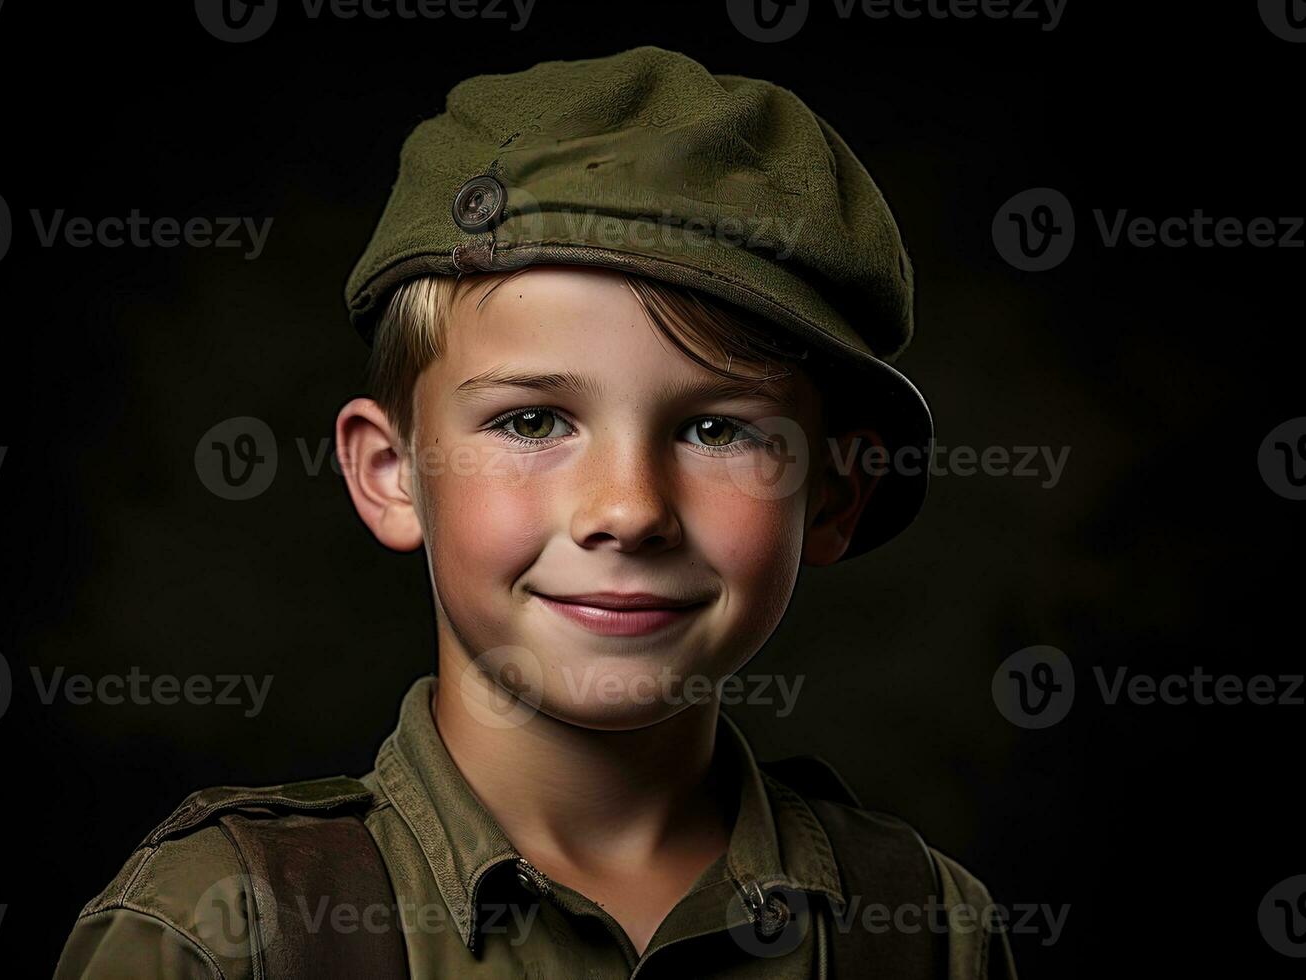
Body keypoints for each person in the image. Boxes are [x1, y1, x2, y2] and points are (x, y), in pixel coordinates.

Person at [52, 45, 1018, 979]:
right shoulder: (227, 932)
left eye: (720, 431)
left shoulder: (925, 930)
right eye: (531, 419)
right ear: (392, 472)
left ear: (836, 497)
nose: (630, 511)